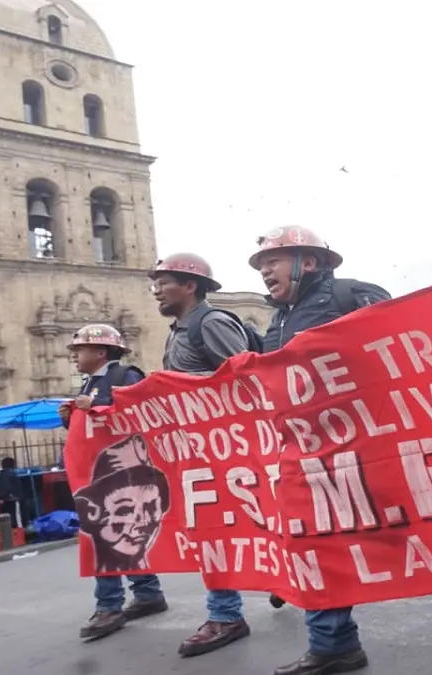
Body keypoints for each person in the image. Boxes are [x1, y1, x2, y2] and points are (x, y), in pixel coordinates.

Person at [253, 227, 432, 675]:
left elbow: (400, 347)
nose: (264, 271)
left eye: (272, 261)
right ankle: (333, 644)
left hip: (374, 441)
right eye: (260, 265)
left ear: (307, 262)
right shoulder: (277, 321)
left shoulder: (353, 294)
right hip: (313, 451)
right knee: (320, 539)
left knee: (416, 524)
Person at [149, 252, 257, 658]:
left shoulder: (211, 323)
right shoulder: (178, 331)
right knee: (209, 533)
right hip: (199, 454)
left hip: (228, 454)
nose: (156, 289)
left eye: (164, 281)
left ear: (190, 285)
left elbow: (248, 381)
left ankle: (228, 614)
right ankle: (226, 613)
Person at [58, 323, 167, 642]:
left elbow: (141, 411)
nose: (75, 356)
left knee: (103, 535)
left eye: (80, 350)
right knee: (120, 534)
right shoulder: (88, 383)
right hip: (98, 471)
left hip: (123, 472)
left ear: (101, 352)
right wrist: (71, 417)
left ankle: (109, 606)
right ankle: (148, 592)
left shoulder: (125, 376)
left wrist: (95, 407)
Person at [0, 458, 23, 528]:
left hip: (5, 500)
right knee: (16, 517)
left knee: (7, 518)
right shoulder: (13, 474)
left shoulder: (0, 475)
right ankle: (19, 532)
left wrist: (0, 497)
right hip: (13, 499)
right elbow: (17, 488)